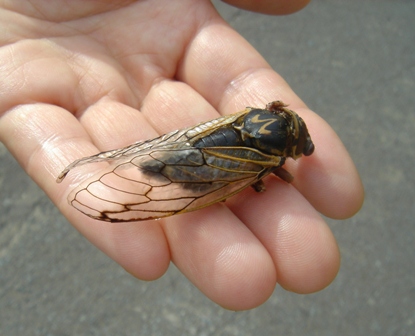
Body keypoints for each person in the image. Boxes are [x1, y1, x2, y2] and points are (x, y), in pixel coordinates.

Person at [0, 0, 363, 310]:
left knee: (176, 148)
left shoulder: (255, 115)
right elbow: (260, 182)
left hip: (197, 143)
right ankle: (131, 167)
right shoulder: (272, 162)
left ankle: (131, 164)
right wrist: (257, 179)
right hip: (203, 171)